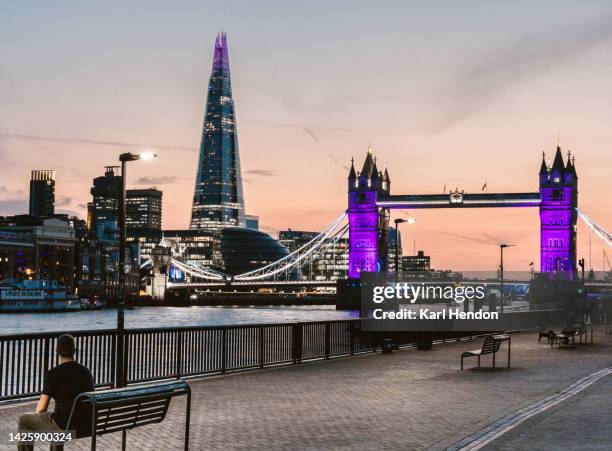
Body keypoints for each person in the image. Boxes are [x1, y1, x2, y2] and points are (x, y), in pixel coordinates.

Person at [17, 334, 94, 451]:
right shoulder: (86, 372)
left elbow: (41, 409)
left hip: (65, 427)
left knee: (24, 420)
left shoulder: (53, 374)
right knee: (56, 419)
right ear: (74, 350)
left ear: (57, 351)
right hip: (87, 426)